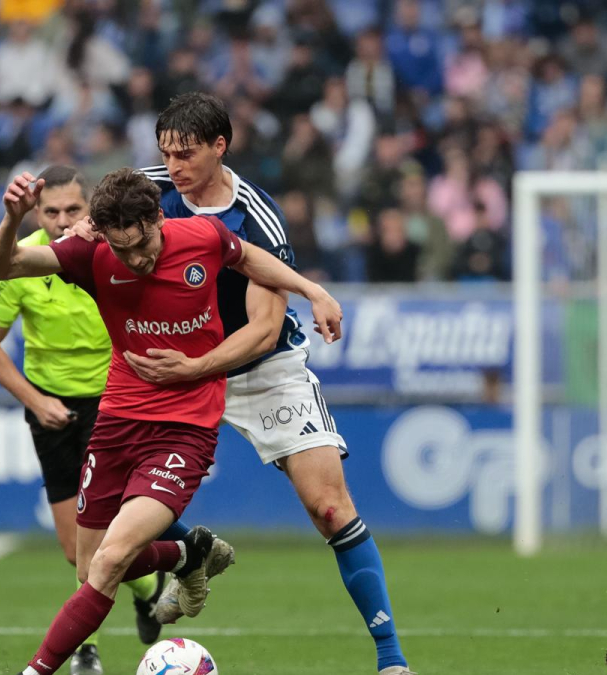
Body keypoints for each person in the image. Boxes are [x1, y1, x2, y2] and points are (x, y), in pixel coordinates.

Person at [0, 168, 343, 675]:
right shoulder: (90, 253)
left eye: (142, 244)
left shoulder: (202, 235)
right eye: (122, 249)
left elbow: (251, 257)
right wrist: (11, 221)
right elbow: (2, 266)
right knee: (89, 567)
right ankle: (186, 554)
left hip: (184, 429)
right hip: (116, 423)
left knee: (110, 561)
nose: (136, 259)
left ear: (159, 218)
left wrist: (312, 290)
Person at [109, 92, 413, 675]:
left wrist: (194, 368)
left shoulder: (256, 217)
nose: (173, 166)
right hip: (179, 368)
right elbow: (96, 228)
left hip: (262, 371)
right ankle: (192, 553)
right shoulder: (147, 192)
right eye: (166, 153)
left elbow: (263, 329)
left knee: (330, 508)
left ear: (220, 146)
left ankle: (391, 660)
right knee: (113, 494)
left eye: (186, 153)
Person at [0, 166, 165, 675]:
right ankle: (150, 587)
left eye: (72, 210)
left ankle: (85, 649)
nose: (61, 221)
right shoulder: (23, 261)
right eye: (51, 211)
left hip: (115, 401)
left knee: (106, 539)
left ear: (91, 207)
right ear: (37, 213)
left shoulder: (114, 250)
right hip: (52, 408)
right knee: (74, 549)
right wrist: (36, 401)